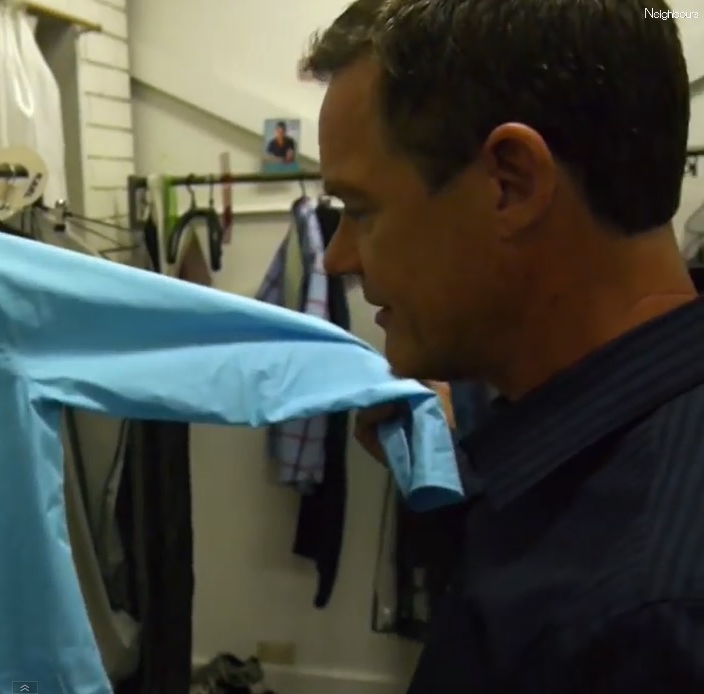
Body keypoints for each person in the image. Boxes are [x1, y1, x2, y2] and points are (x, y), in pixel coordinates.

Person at [300, 0, 704, 692]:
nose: (336, 259)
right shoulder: (584, 471)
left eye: (361, 210)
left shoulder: (647, 618)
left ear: (510, 184)